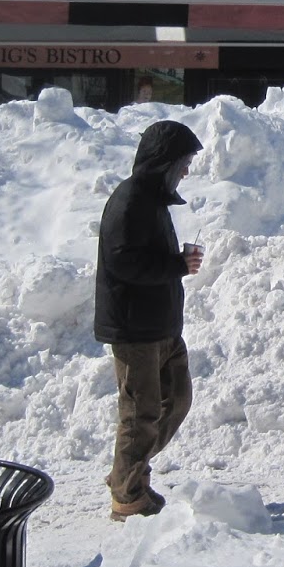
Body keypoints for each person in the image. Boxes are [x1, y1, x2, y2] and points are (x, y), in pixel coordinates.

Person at [94, 119, 205, 520]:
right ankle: (127, 496)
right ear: (164, 161)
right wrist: (176, 264)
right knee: (140, 414)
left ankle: (128, 471)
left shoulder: (152, 199)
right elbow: (124, 262)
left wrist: (176, 266)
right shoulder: (129, 201)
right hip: (135, 328)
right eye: (184, 162)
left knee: (176, 400)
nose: (187, 171)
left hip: (161, 325)